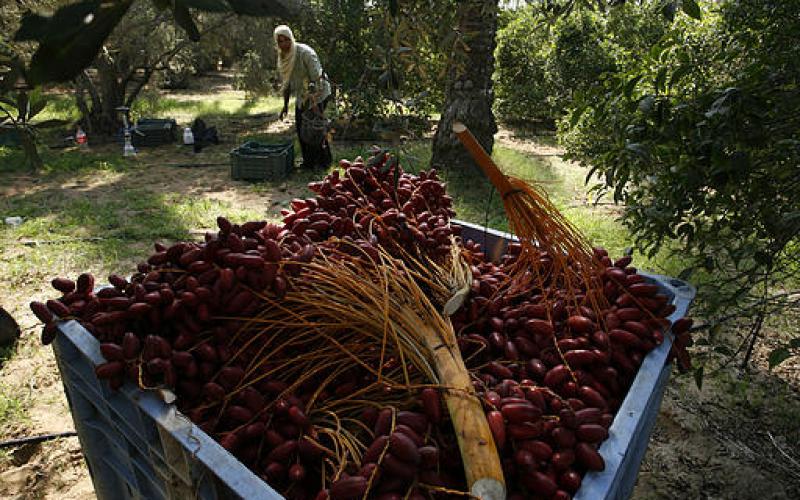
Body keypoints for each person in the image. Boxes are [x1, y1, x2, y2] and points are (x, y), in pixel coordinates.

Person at [274, 25, 332, 170]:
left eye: (286, 40)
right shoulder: (283, 57)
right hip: (302, 96)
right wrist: (285, 106)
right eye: (280, 41)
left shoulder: (305, 53)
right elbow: (287, 83)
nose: (284, 44)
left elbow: (317, 77)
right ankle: (308, 163)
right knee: (302, 129)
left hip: (318, 93)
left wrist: (314, 102)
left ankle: (324, 163)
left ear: (291, 38)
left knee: (314, 129)